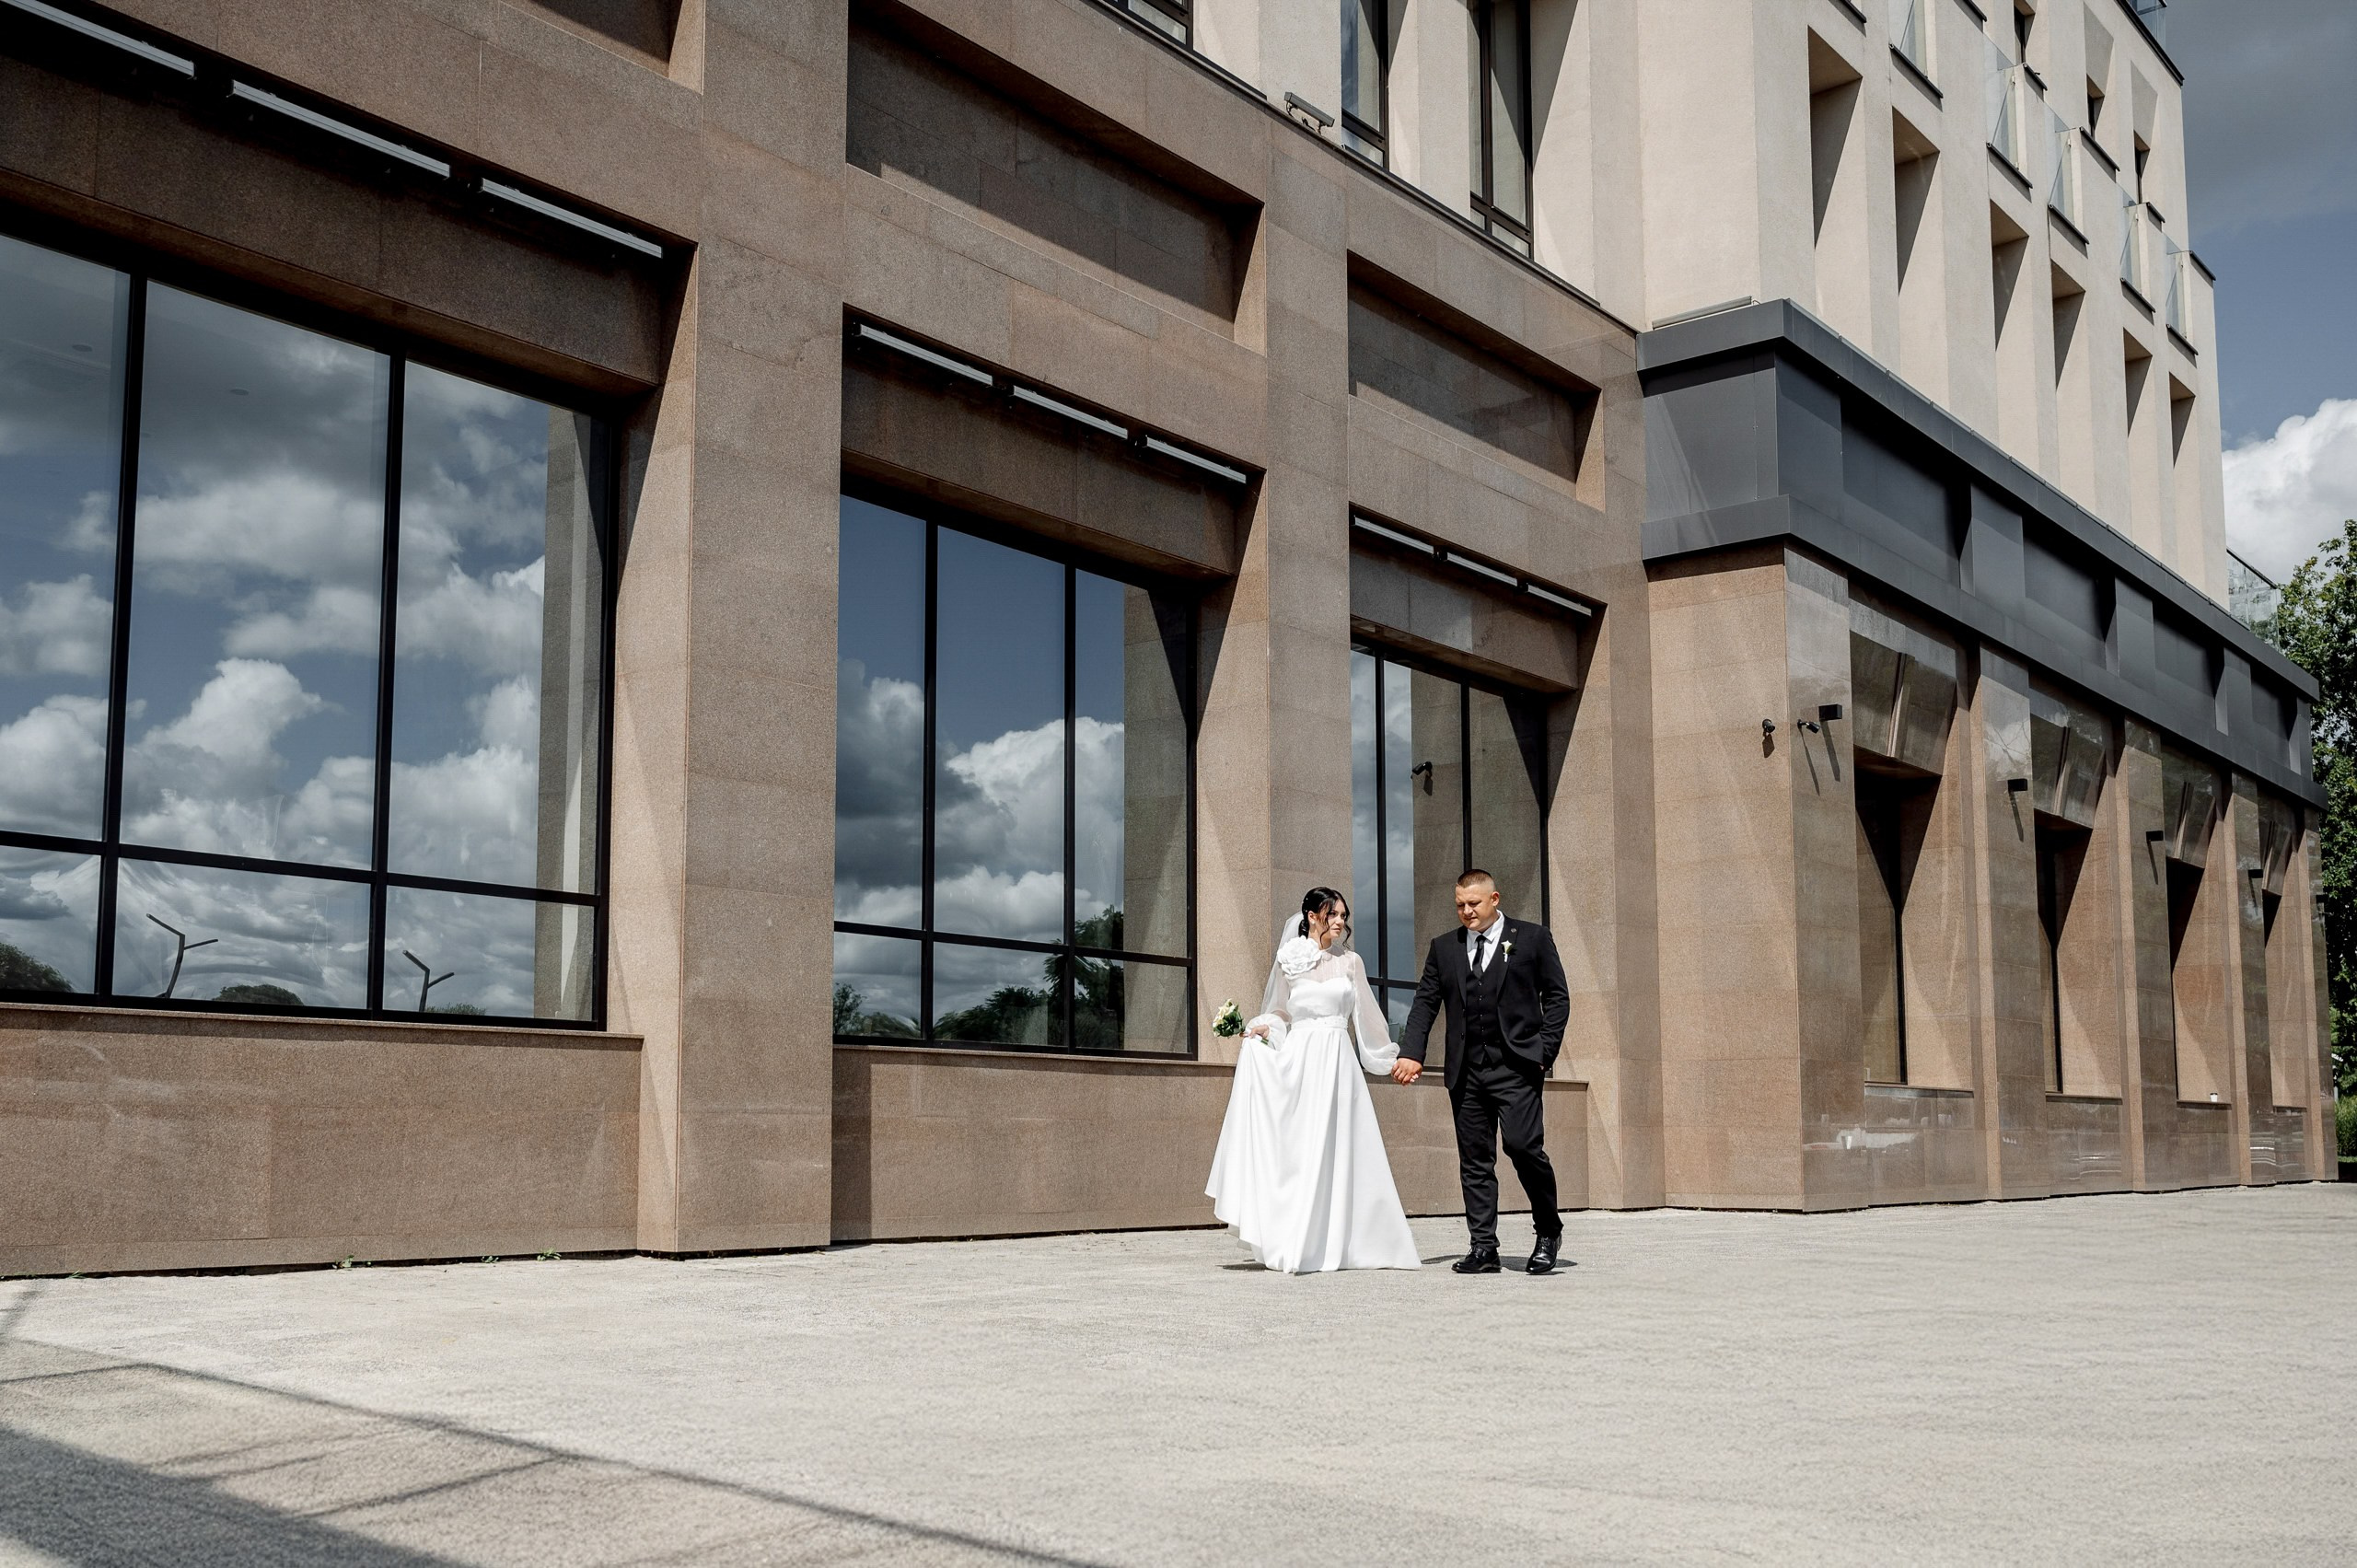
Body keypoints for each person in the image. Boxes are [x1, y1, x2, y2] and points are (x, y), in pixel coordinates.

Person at [1204, 888, 1421, 1273]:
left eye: (1343, 916)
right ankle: (1292, 1237)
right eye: (1332, 914)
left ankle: (1346, 1242)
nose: (1340, 922)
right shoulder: (1289, 959)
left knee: (1339, 1148)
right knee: (1299, 1149)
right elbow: (1280, 1013)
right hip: (1300, 1061)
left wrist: (1392, 1061)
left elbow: (1368, 1021)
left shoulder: (1351, 962)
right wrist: (1260, 1030)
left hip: (1338, 1061)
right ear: (1310, 915)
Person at [1396, 869, 1571, 1275]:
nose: (1466, 912)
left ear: (1494, 899)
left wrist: (1543, 1052)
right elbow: (1425, 1002)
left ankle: (1548, 1230)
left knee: (1523, 1147)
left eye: (1473, 903)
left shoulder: (1532, 938)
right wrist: (1412, 1052)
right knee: (1475, 1159)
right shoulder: (1445, 947)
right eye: (1459, 904)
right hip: (1466, 1070)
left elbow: (1558, 997)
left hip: (1517, 1066)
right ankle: (1483, 1247)